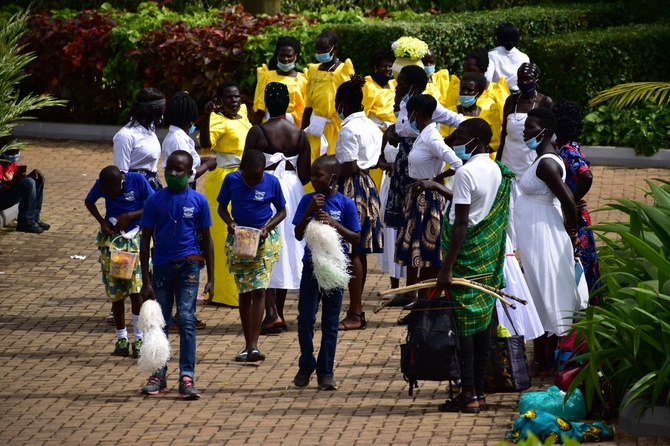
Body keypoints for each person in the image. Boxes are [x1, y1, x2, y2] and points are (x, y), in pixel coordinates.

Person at [430, 118, 514, 414]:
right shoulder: (497, 170)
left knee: (465, 328)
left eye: (461, 137)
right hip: (487, 258)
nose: (455, 141)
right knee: (482, 327)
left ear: (476, 142)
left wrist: (446, 268)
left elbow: (463, 222)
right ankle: (478, 390)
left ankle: (468, 394)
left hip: (466, 257)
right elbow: (479, 208)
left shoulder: (465, 173)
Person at [383, 66, 465, 306]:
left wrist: (437, 180)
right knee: (412, 247)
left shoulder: (431, 135)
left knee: (425, 249)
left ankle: (424, 298)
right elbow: (399, 129)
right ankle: (414, 295)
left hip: (427, 197)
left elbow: (457, 162)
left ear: (417, 113)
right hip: (412, 188)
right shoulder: (422, 132)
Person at [139, 150, 214, 399]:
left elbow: (208, 239)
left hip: (189, 266)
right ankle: (158, 375)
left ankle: (187, 376)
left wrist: (212, 278)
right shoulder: (155, 200)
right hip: (161, 267)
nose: (172, 174)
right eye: (169, 168)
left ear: (190, 173)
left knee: (185, 318)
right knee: (159, 321)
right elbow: (145, 239)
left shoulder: (199, 201)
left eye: (179, 170)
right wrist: (145, 279)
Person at [514, 108, 579, 377]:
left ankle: (549, 359)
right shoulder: (539, 159)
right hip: (534, 236)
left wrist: (571, 229)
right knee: (538, 294)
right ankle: (541, 357)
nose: (525, 131)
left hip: (544, 235)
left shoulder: (547, 163)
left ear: (545, 131)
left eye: (530, 127)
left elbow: (568, 199)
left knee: (546, 292)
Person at [244, 82, 310, 334]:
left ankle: (271, 313)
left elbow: (246, 166)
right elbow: (304, 175)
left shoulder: (258, 132)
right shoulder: (299, 134)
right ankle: (277, 312)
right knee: (286, 245)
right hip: (292, 191)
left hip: (265, 188)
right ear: (289, 103)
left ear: (266, 105)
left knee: (267, 244)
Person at [292, 156, 361, 390]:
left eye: (317, 176)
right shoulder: (307, 200)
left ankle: (326, 372)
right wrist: (309, 211)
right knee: (305, 319)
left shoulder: (346, 203)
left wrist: (333, 223)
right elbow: (298, 234)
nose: (312, 180)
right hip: (312, 267)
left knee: (330, 324)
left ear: (332, 178)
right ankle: (306, 363)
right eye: (311, 175)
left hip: (334, 268)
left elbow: (356, 237)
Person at [218, 149, 287, 362]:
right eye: (250, 178)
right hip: (240, 241)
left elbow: (282, 211)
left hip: (264, 241)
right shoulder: (231, 180)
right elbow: (222, 208)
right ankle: (248, 344)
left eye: (258, 177)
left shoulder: (271, 182)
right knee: (244, 292)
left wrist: (268, 226)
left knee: (259, 289)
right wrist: (230, 223)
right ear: (241, 171)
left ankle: (254, 346)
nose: (254, 181)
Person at [84, 166, 154, 357]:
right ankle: (121, 339)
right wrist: (102, 221)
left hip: (135, 240)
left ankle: (138, 339)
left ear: (121, 183)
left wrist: (130, 216)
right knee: (116, 291)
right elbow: (89, 201)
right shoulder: (102, 184)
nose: (111, 196)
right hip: (113, 243)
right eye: (107, 194)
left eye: (113, 192)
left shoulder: (137, 180)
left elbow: (154, 203)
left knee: (136, 290)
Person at [334, 75, 384, 331]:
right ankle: (355, 307)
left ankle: (355, 311)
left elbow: (350, 165)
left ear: (341, 103)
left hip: (352, 189)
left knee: (352, 250)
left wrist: (329, 169)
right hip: (368, 185)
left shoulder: (349, 129)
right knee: (359, 251)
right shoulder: (372, 126)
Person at [162, 91, 215, 332]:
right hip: (184, 198)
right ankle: (183, 314)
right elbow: (188, 172)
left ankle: (184, 312)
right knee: (190, 258)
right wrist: (208, 165)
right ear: (189, 117)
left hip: (184, 196)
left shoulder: (176, 136)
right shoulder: (180, 140)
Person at [199, 81, 252, 307]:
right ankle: (222, 291)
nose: (234, 101)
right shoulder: (216, 119)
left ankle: (244, 288)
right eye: (229, 97)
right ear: (220, 100)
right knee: (223, 232)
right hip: (224, 178)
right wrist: (205, 116)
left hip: (245, 177)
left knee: (243, 228)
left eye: (237, 96)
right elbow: (205, 144)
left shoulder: (243, 113)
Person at [497, 62, 553, 250]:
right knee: (509, 212)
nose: (524, 82)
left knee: (528, 210)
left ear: (536, 80)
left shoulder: (545, 102)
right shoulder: (511, 101)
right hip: (509, 162)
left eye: (528, 79)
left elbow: (549, 135)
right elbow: (503, 134)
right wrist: (498, 163)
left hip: (530, 164)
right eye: (521, 79)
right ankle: (510, 254)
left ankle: (530, 249)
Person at [554, 100, 601, 303]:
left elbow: (586, 175)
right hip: (573, 212)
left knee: (578, 261)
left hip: (573, 216)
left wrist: (572, 199)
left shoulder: (567, 151)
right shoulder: (569, 146)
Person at [302, 30, 355, 162]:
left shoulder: (343, 71)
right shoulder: (313, 70)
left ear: (334, 48)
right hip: (314, 128)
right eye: (317, 49)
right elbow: (308, 105)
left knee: (332, 162)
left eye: (324, 49)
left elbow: (350, 102)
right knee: (312, 162)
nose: (320, 53)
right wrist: (302, 131)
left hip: (335, 128)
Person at [113, 87, 165, 191]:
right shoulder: (125, 136)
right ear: (153, 111)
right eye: (162, 109)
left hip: (152, 186)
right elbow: (122, 173)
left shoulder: (150, 130)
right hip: (136, 190)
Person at [162, 91, 216, 188]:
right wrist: (207, 165)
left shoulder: (179, 137)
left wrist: (200, 160)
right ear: (191, 119)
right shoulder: (177, 140)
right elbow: (187, 175)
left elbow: (187, 162)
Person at [252, 37, 308, 127]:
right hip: (268, 125)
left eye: (289, 56)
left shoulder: (303, 80)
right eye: (282, 55)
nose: (285, 59)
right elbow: (260, 107)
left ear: (296, 56)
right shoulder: (267, 77)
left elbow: (306, 109)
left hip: (293, 127)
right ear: (277, 55)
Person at [443, 72, 502, 155]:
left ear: (479, 93)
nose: (465, 92)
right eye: (462, 89)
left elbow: (494, 144)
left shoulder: (488, 115)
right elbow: (442, 141)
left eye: (470, 90)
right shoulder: (449, 113)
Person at [0, 137, 49, 233]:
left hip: (8, 196)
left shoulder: (12, 164)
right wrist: (13, 183)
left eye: (16, 152)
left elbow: (17, 181)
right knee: (28, 183)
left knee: (36, 179)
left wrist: (30, 175)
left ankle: (35, 218)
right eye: (11, 152)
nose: (14, 155)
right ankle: (26, 223)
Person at [484, 23, 530, 93]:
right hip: (517, 97)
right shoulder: (524, 57)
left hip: (497, 96)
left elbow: (487, 78)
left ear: (497, 38)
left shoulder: (491, 55)